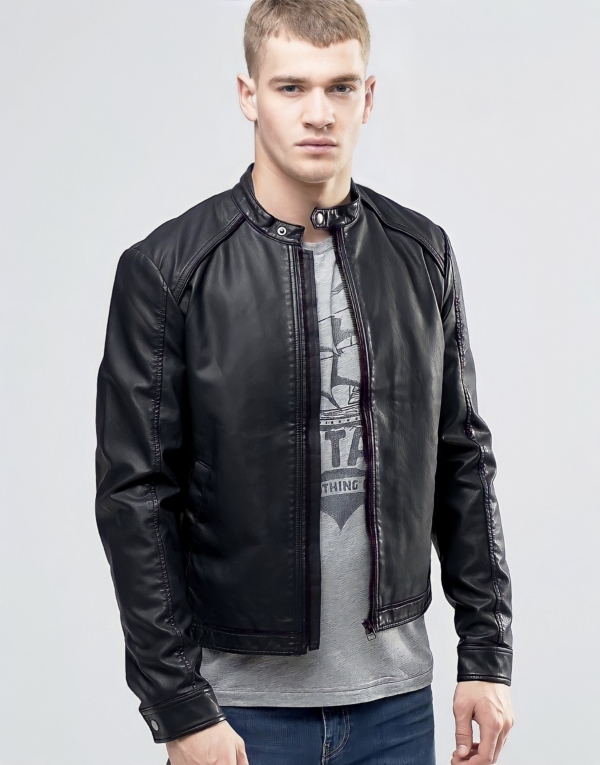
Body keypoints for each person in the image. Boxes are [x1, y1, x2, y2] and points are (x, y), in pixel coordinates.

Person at [94, 1, 515, 763]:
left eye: (340, 87)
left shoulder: (421, 254)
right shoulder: (168, 270)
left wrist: (486, 655)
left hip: (396, 706)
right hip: (238, 713)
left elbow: (462, 458)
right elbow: (135, 498)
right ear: (248, 94)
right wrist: (179, 706)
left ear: (368, 97)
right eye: (291, 87)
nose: (318, 113)